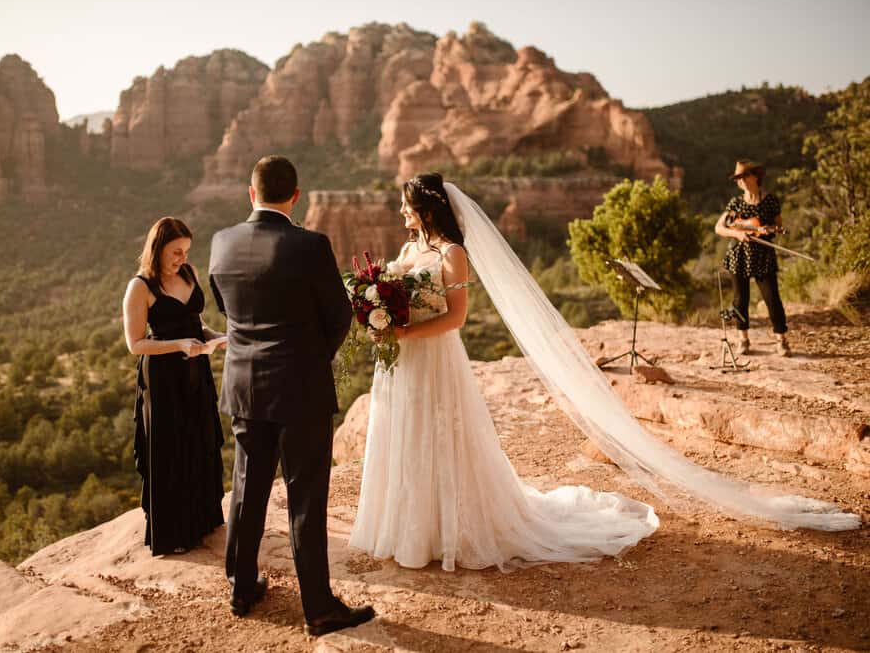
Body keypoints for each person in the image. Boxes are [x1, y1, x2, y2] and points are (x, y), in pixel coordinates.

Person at [350, 173, 857, 570]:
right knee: (407, 437)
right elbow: (398, 295)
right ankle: (408, 528)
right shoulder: (410, 250)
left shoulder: (453, 254)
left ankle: (447, 531)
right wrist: (380, 314)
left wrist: (401, 333)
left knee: (441, 437)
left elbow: (457, 319)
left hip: (434, 359)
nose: (401, 212)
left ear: (427, 209)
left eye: (406, 205)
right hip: (402, 363)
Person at [208, 156, 375, 636]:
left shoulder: (222, 242)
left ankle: (241, 587)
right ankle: (319, 608)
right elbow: (338, 314)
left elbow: (226, 310)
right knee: (305, 498)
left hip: (245, 386)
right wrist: (310, 358)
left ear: (251, 193)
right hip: (301, 389)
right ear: (296, 196)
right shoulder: (310, 245)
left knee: (247, 488)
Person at [123, 217, 227, 556]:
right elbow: (136, 344)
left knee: (200, 439)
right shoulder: (140, 286)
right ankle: (174, 534)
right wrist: (179, 345)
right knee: (171, 448)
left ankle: (203, 521)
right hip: (163, 379)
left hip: (196, 371)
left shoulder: (189, 273)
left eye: (186, 251)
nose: (182, 258)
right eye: (176, 252)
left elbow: (195, 322)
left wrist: (216, 337)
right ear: (157, 250)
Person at [714, 160, 791, 357]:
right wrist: (737, 234)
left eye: (744, 176)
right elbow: (719, 227)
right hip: (739, 256)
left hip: (763, 256)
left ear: (755, 176)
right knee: (740, 300)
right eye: (738, 178)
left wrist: (768, 230)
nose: (741, 181)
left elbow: (778, 226)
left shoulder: (770, 201)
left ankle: (782, 340)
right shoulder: (736, 203)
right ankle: (743, 339)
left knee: (772, 299)